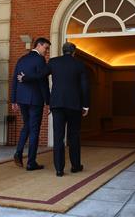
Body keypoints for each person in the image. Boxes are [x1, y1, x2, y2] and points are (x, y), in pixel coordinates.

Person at [19, 42, 89, 177]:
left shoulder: (53, 62)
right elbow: (85, 87)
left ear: (63, 51)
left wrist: (25, 78)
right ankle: (75, 166)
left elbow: (40, 75)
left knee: (58, 137)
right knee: (74, 136)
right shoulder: (79, 64)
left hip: (57, 104)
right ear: (74, 52)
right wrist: (85, 105)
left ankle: (59, 169)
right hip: (74, 105)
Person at [10, 37, 51, 171]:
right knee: (34, 130)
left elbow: (14, 80)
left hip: (22, 99)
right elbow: (43, 82)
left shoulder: (22, 59)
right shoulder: (39, 59)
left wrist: (14, 99)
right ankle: (31, 162)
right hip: (35, 100)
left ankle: (18, 152)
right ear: (38, 45)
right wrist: (48, 101)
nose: (47, 51)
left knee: (26, 126)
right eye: (46, 48)